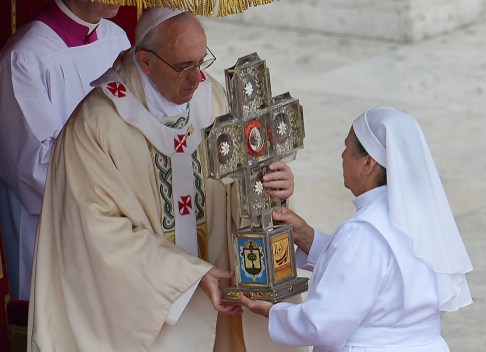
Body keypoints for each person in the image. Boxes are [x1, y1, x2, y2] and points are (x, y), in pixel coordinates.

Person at [27, 8, 306, 352]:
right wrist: (187, 276)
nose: (198, 78)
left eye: (202, 62)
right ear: (145, 61)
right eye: (184, 66)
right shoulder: (97, 127)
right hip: (149, 318)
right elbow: (97, 237)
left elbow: (240, 187)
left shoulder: (213, 99)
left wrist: (271, 187)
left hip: (222, 308)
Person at [240, 106, 474, 352]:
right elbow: (377, 273)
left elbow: (322, 324)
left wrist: (273, 312)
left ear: (368, 163)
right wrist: (307, 236)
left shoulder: (363, 232)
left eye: (347, 148)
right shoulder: (421, 219)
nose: (342, 156)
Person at [0, 0, 130, 300]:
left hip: (115, 230)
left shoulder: (117, 39)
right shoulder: (25, 57)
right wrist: (120, 200)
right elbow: (34, 171)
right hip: (53, 234)